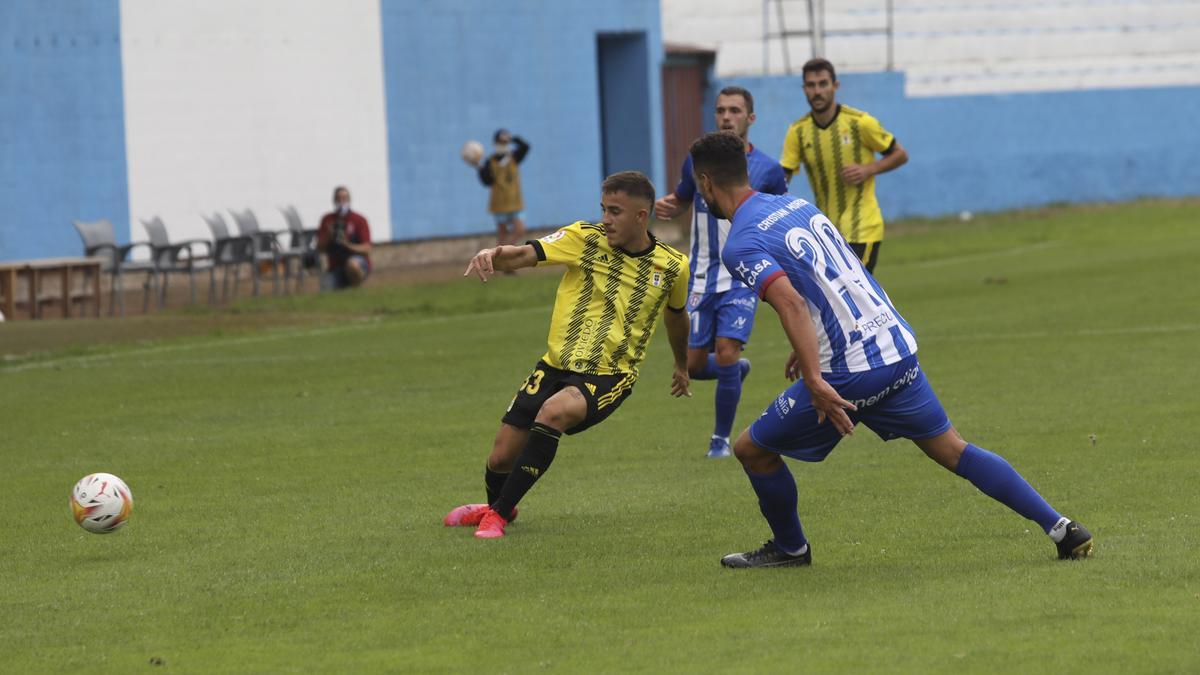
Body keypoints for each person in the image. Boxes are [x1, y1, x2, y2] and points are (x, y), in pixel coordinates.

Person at [687, 131, 1093, 568]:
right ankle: (1063, 529)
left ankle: (791, 549)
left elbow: (789, 300)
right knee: (953, 449)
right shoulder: (797, 205)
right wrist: (817, 338)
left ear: (706, 182)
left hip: (850, 371)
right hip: (894, 347)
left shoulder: (740, 243)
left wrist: (813, 375)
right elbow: (846, 268)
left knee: (751, 449)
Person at [445, 171, 693, 539]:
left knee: (554, 413)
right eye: (603, 209)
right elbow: (527, 254)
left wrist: (681, 365)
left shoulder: (673, 266)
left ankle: (494, 517)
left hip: (610, 375)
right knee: (500, 457)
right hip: (553, 366)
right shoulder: (583, 238)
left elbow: (677, 318)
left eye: (615, 211)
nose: (606, 219)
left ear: (641, 217)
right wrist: (493, 255)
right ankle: (500, 507)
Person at [655, 86, 788, 459]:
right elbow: (684, 196)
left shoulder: (768, 170)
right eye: (720, 110)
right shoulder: (694, 162)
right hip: (699, 275)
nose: (726, 117)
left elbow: (778, 215)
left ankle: (720, 440)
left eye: (734, 110)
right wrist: (671, 205)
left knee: (726, 349)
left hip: (743, 274)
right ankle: (734, 371)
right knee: (694, 365)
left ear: (750, 118)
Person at [780, 58, 908, 273]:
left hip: (862, 227)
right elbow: (783, 177)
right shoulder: (798, 131)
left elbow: (900, 154)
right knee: (838, 302)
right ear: (804, 89)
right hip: (824, 230)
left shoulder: (860, 122)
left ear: (835, 86)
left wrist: (868, 169)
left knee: (854, 294)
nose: (817, 91)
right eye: (811, 85)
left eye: (823, 84)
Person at [477, 129, 530, 247]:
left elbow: (526, 147)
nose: (503, 145)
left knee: (520, 229)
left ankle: (504, 252)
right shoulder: (490, 161)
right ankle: (499, 257)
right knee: (502, 233)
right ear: (495, 143)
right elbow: (487, 181)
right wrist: (480, 169)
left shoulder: (514, 157)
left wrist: (512, 138)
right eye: (500, 142)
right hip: (499, 202)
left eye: (505, 142)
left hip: (515, 201)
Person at [316, 186, 372, 291]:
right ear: (334, 200)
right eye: (338, 198)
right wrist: (328, 236)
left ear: (349, 200)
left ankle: (356, 289)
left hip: (357, 262)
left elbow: (367, 249)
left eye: (344, 198)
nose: (341, 201)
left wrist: (347, 244)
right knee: (327, 288)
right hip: (336, 265)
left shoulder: (359, 220)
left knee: (352, 265)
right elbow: (319, 248)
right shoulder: (327, 220)